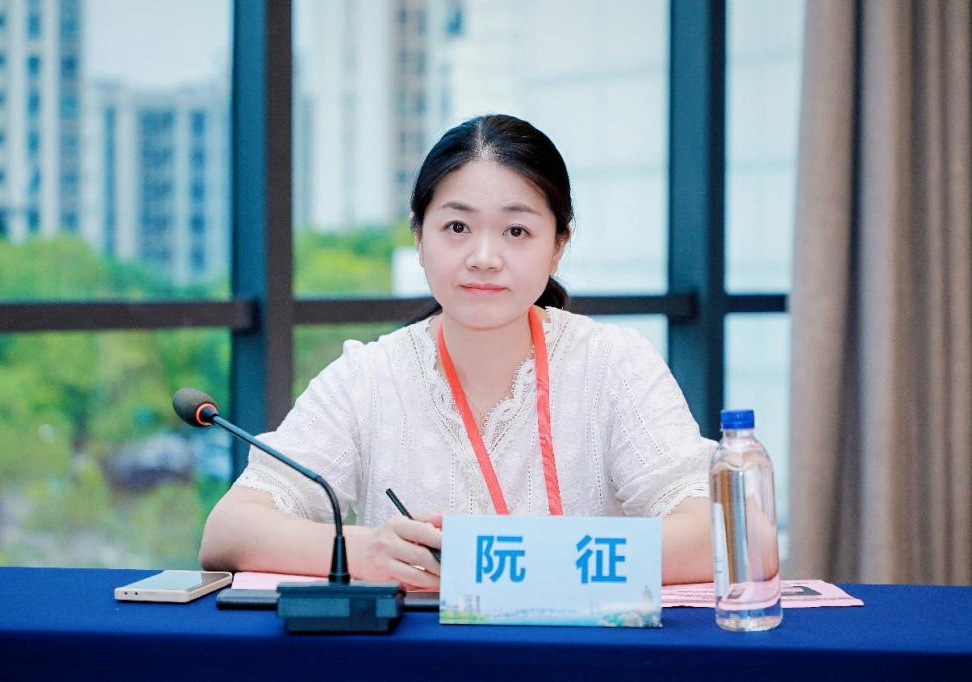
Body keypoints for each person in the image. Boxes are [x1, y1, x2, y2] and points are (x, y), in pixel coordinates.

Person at [199, 114, 714, 588]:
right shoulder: (368, 377)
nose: (484, 258)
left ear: (558, 245)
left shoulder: (612, 363)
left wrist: (526, 563)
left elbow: (725, 534)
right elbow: (228, 531)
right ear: (419, 237)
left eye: (516, 231)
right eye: (457, 228)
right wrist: (362, 551)